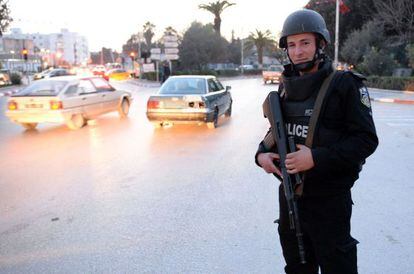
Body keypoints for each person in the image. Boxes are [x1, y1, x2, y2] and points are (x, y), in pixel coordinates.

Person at [255, 9, 378, 274]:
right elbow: (273, 135)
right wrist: (261, 156)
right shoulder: (285, 88)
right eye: (292, 44)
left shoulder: (345, 85)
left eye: (305, 43)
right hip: (290, 199)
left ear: (320, 44)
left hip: (329, 202)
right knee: (298, 268)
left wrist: (315, 157)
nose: (297, 51)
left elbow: (365, 140)